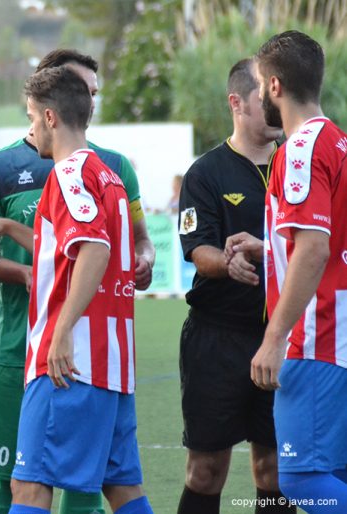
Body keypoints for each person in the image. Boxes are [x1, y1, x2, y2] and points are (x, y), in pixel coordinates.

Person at [0, 49, 155, 514]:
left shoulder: (69, 174)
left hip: (70, 364)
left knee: (28, 489)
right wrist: (6, 227)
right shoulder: (108, 175)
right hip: (112, 362)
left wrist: (62, 330)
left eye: (32, 118)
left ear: (49, 117)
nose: (33, 130)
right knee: (122, 490)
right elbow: (71, 249)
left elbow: (95, 249)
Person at [226, 31, 347, 511]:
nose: (258, 94)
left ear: (274, 87)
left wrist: (274, 339)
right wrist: (271, 248)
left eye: (259, 84)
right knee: (332, 473)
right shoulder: (338, 141)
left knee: (301, 481)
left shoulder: (299, 150)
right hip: (338, 338)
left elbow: (315, 249)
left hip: (314, 338)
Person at [175, 59, 294, 514]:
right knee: (205, 472)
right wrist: (226, 261)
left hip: (284, 338)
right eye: (265, 97)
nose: (275, 104)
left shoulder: (298, 165)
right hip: (217, 340)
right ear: (237, 103)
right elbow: (197, 250)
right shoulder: (205, 173)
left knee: (275, 471)